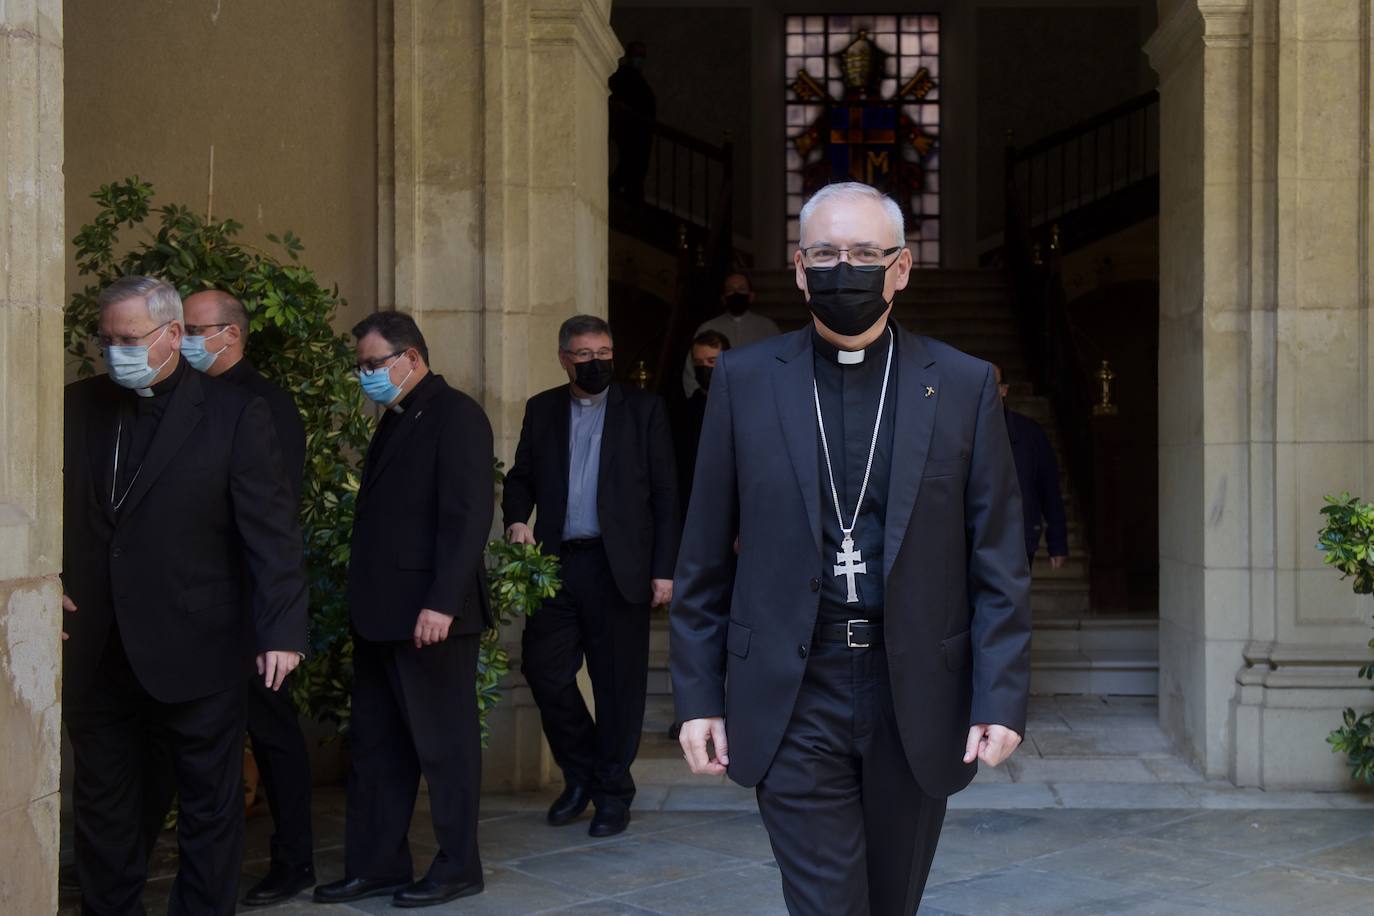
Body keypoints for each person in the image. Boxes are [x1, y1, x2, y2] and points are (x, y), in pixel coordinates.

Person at [671, 182, 1032, 915]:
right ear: (800, 270)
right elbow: (703, 554)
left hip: (915, 689)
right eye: (827, 254)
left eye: (866, 254)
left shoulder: (960, 385)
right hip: (793, 687)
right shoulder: (743, 382)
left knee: (891, 901)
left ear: (901, 268)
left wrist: (1001, 694)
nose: (846, 270)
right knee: (827, 903)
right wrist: (698, 696)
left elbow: (997, 560)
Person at [61, 275, 308, 916]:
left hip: (199, 645)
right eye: (106, 338)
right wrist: (44, 583)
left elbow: (272, 531)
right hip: (96, 646)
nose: (114, 351)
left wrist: (282, 629)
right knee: (104, 807)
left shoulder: (234, 413)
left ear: (172, 335)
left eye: (129, 338)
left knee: (209, 808)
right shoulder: (73, 405)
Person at [313, 312, 494, 908]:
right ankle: (378, 865)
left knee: (444, 748)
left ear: (410, 357)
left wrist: (441, 602)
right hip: (382, 616)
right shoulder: (397, 416)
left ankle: (459, 866)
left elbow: (467, 517)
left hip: (430, 618)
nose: (366, 375)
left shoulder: (456, 414)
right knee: (377, 748)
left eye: (374, 364)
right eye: (360, 365)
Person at [503, 315, 680, 838]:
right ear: (564, 358)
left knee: (618, 688)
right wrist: (517, 519)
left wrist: (664, 570)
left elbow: (667, 495)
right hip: (557, 565)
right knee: (545, 670)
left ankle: (612, 793)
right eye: (584, 353)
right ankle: (581, 772)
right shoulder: (542, 409)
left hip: (618, 568)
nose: (596, 361)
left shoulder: (644, 410)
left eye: (604, 350)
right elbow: (522, 478)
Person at [179, 289, 314, 905]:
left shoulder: (264, 404)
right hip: (199, 606)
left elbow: (271, 519)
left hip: (252, 607)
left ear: (229, 335)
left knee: (273, 731)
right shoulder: (190, 396)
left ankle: (294, 859)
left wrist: (274, 622)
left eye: (191, 328)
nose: (180, 338)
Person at [995, 364, 1069, 569]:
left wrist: (1058, 543)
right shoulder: (962, 433)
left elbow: (1049, 489)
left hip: (1018, 540)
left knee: (1013, 601)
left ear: (1004, 390)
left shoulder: (1030, 434)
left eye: (990, 385)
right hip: (971, 541)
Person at [680, 272, 781, 400]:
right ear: (723, 298)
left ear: (751, 296)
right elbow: (691, 372)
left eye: (741, 289)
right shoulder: (707, 328)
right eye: (730, 290)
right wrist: (700, 401)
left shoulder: (768, 328)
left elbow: (780, 368)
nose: (736, 293)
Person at [673, 329, 731, 506]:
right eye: (698, 362)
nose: (704, 368)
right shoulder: (684, 411)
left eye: (711, 361)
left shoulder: (745, 406)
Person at [609, 40, 656, 201]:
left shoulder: (643, 86)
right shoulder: (621, 75)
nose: (639, 59)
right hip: (627, 131)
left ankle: (631, 198)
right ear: (629, 56)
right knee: (629, 165)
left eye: (642, 56)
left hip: (641, 135)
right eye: (637, 55)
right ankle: (617, 193)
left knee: (636, 168)